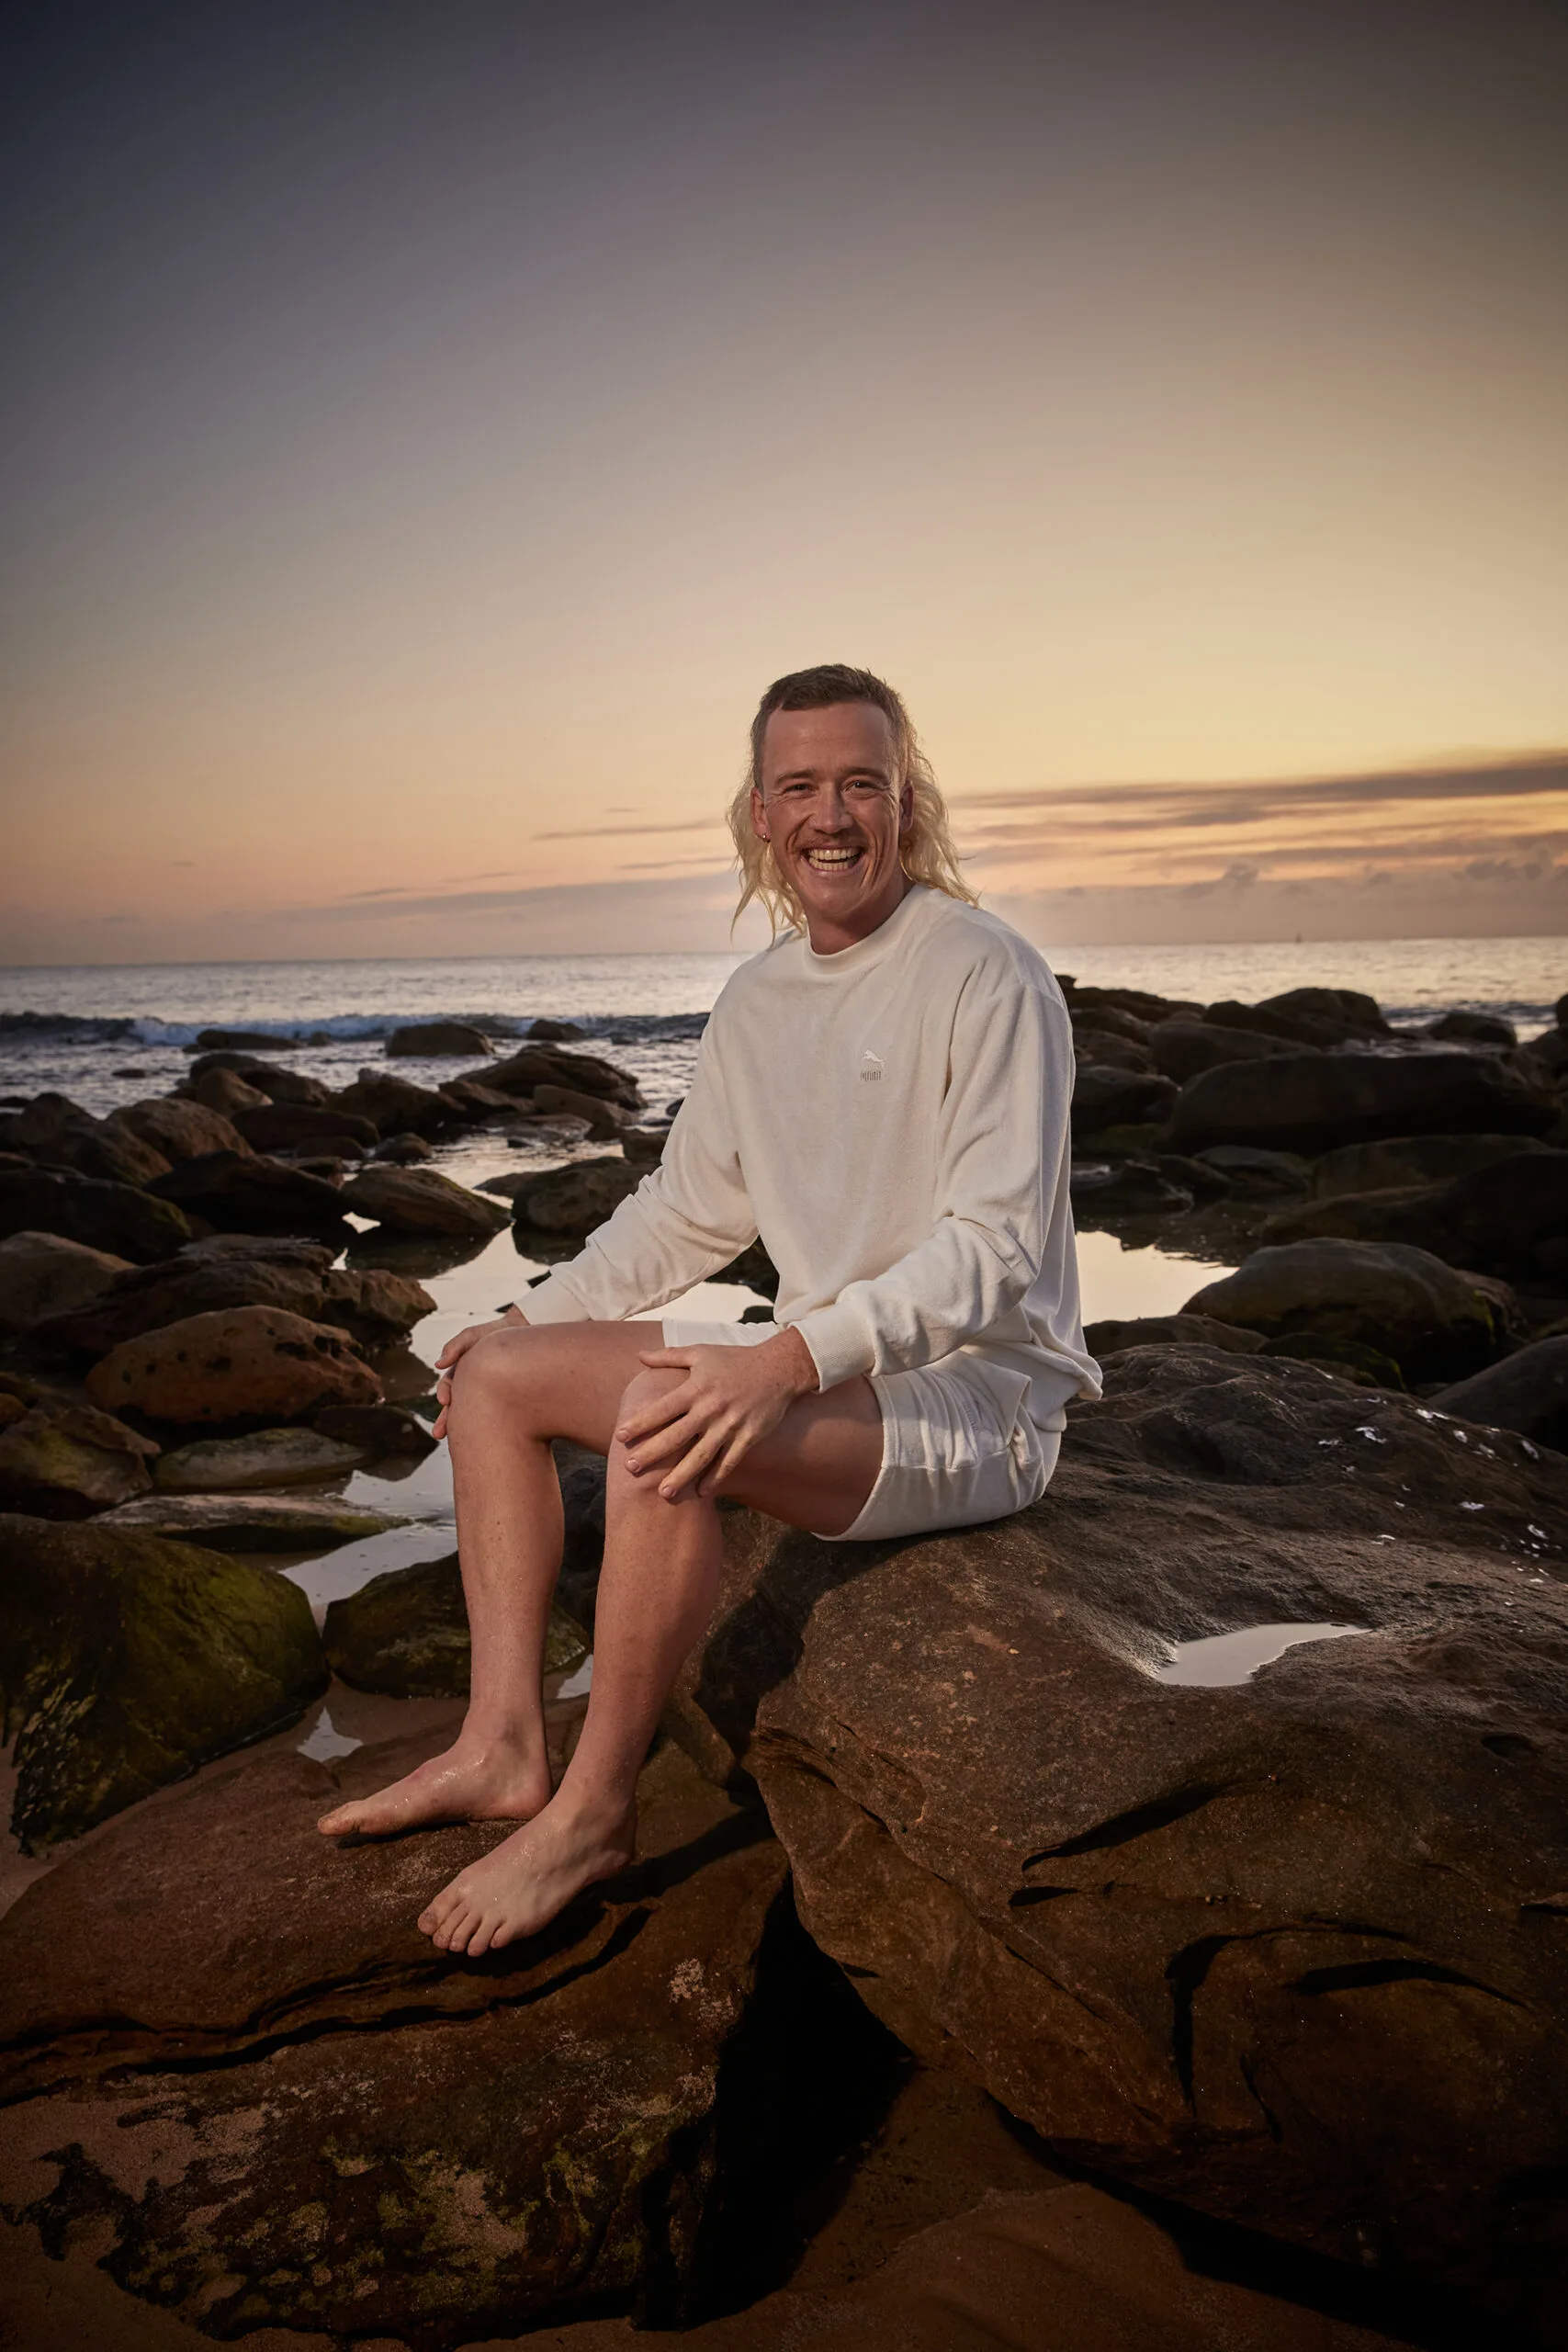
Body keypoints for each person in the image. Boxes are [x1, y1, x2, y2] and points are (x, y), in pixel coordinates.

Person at [318, 663, 1100, 1953]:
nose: (830, 816)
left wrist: (785, 1360)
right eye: (800, 788)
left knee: (660, 1422)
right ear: (757, 812)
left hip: (974, 1399)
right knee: (498, 1380)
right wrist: (525, 1320)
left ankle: (590, 1814)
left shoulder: (986, 973)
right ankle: (500, 1744)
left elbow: (994, 1251)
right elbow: (688, 1214)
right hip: (822, 1369)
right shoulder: (758, 1000)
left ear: (907, 801)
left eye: (860, 783)